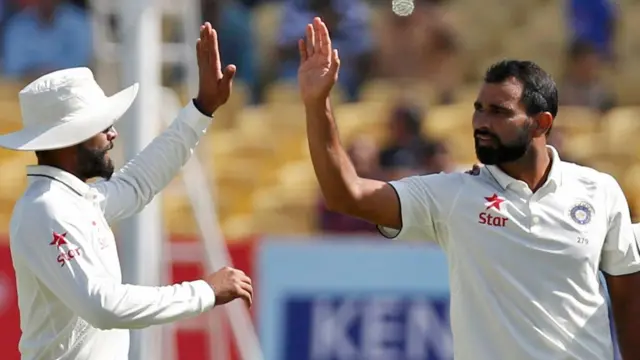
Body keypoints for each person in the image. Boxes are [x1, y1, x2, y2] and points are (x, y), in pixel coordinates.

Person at [298, 17, 640, 360]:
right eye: (478, 110)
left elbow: (627, 298)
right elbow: (347, 194)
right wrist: (318, 104)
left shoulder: (600, 191)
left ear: (541, 123)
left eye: (498, 112)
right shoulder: (455, 193)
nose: (481, 123)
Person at [3, 23, 252, 360]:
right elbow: (103, 306)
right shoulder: (47, 208)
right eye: (101, 126)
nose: (113, 133)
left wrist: (201, 109)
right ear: (68, 138)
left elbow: (137, 184)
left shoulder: (73, 200)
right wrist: (204, 291)